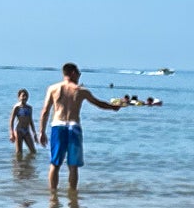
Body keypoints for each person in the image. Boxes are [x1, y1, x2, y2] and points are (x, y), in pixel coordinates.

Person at [37, 62, 122, 191]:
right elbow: (98, 103)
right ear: (73, 73)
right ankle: (73, 197)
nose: (79, 76)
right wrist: (113, 108)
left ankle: (53, 195)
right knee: (73, 165)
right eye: (79, 74)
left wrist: (41, 132)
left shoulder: (53, 88)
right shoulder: (81, 91)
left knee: (55, 163)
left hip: (58, 126)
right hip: (73, 127)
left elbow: (45, 111)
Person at [8, 89, 37, 159]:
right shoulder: (17, 107)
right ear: (19, 97)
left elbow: (31, 120)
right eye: (23, 96)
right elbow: (11, 120)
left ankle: (28, 166)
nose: (25, 98)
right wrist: (11, 133)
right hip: (19, 131)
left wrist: (34, 133)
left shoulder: (29, 108)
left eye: (26, 96)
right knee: (19, 152)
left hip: (26, 130)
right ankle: (18, 168)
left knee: (33, 151)